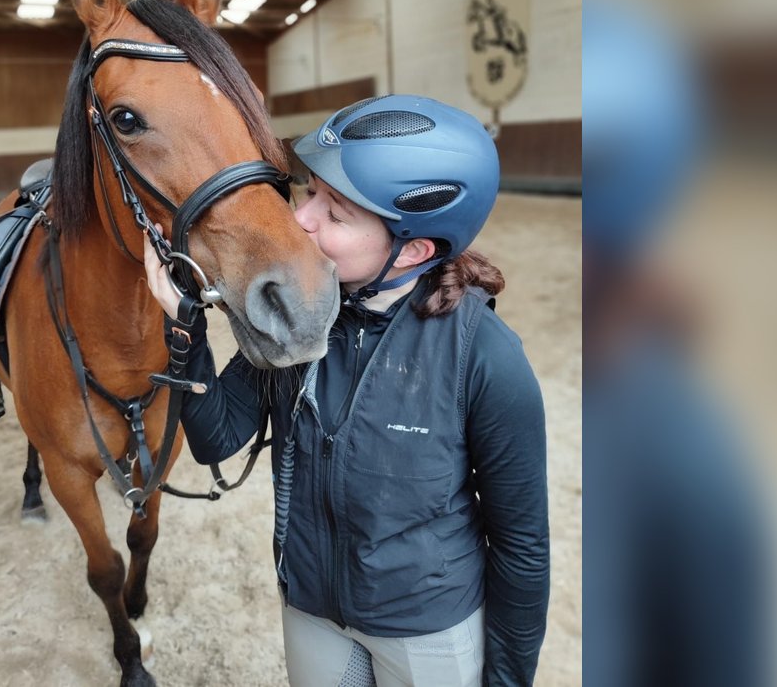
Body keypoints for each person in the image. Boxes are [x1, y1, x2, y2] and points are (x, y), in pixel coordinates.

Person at [143, 95, 550, 687]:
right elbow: (216, 437)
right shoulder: (302, 316)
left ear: (413, 250)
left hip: (426, 630)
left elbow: (522, 547)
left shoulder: (486, 359)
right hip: (311, 610)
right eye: (310, 194)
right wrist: (185, 330)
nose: (302, 219)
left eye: (335, 214)